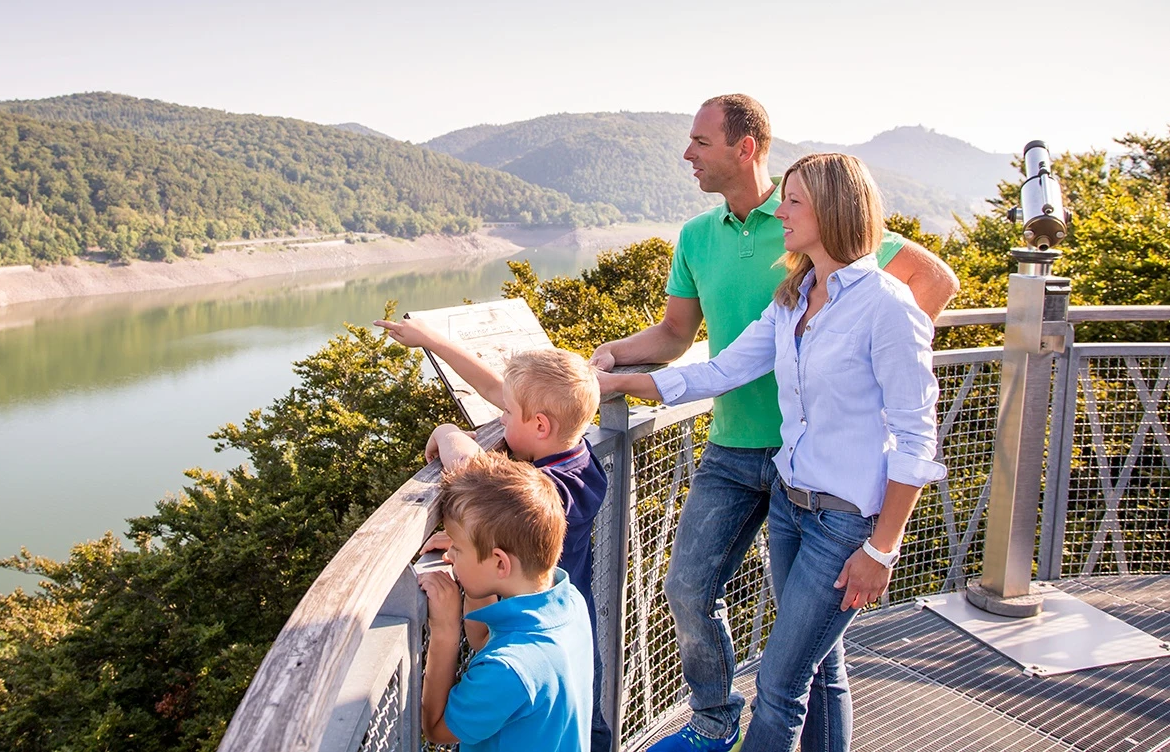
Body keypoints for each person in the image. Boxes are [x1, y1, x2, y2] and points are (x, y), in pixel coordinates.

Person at [589, 95, 957, 752]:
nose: (778, 214)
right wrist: (618, 377)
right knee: (808, 661)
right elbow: (715, 369)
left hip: (843, 515)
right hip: (789, 495)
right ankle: (728, 723)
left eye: (791, 204)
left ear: (831, 211)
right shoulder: (791, 296)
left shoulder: (884, 305)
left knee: (783, 685)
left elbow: (914, 433)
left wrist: (882, 546)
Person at [373, 321, 612, 751]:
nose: (499, 418)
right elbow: (500, 392)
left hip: (528, 646)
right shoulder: (580, 459)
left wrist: (448, 433)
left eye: (506, 413)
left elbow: (473, 474)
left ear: (540, 425)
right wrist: (433, 340)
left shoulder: (549, 492)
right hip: (553, 626)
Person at [418, 452, 595, 752]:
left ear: (500, 564)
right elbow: (483, 639)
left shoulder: (508, 669)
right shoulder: (568, 603)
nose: (448, 557)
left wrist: (445, 630)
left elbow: (436, 727)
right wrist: (475, 552)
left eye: (457, 550)